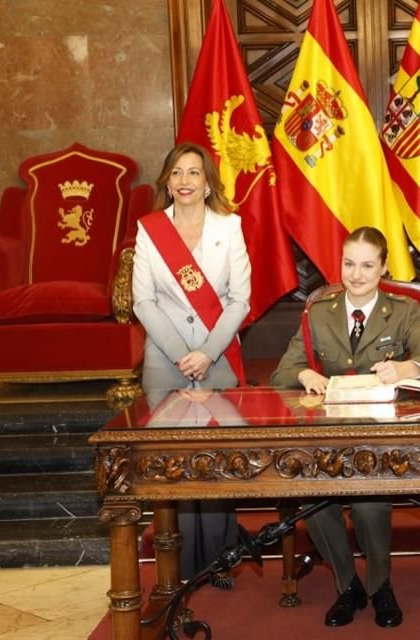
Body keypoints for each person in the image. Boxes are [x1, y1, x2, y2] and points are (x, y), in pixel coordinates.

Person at [271, 226, 420, 628]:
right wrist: (304, 377)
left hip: (379, 437)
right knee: (317, 504)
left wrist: (405, 367)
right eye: (349, 263)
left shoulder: (402, 311)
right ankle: (347, 586)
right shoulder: (318, 313)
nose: (357, 274)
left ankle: (380, 586)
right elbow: (283, 372)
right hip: (327, 436)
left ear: (383, 267)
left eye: (367, 265)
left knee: (369, 506)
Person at [132, 142, 251, 585]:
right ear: (167, 181)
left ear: (207, 184)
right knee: (175, 466)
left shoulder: (230, 226)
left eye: (193, 173)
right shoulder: (150, 230)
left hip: (216, 357)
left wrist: (207, 354)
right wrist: (184, 354)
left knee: (216, 463)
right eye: (176, 173)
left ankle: (221, 560)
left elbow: (240, 299)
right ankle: (181, 564)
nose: (184, 181)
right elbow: (143, 300)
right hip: (166, 361)